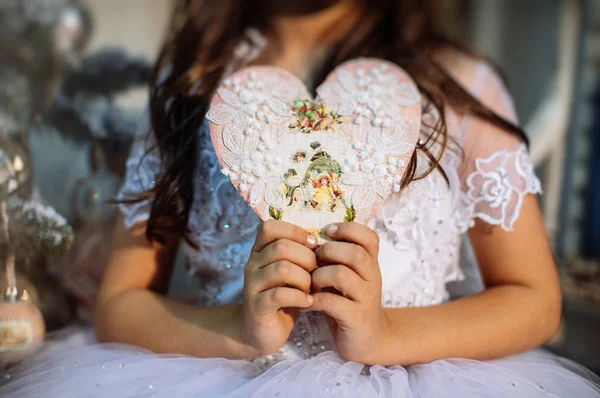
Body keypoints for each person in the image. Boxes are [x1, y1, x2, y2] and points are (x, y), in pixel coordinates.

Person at [2, 1, 600, 396]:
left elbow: (535, 300)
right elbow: (121, 302)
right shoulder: (190, 84)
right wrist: (239, 327)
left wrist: (385, 334)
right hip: (223, 373)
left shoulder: (460, 87)